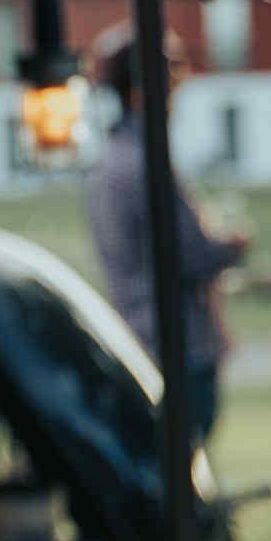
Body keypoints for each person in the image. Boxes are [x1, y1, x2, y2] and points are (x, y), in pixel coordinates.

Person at [83, 23, 250, 442]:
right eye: (173, 73)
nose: (181, 85)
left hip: (135, 335)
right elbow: (192, 255)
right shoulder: (147, 163)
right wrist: (232, 245)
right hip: (175, 346)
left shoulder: (109, 160)